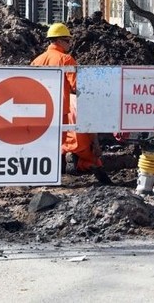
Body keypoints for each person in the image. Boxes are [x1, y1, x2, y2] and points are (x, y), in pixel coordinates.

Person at [31, 22, 110, 185]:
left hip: (38, 110)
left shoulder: (37, 60)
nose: (70, 44)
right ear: (59, 40)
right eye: (68, 40)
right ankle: (64, 173)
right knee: (65, 143)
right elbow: (78, 86)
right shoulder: (66, 59)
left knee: (47, 143)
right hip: (60, 109)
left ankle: (45, 177)